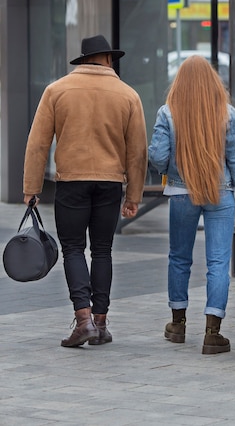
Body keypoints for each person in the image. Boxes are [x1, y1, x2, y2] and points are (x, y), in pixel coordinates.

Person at [23, 35, 148, 348]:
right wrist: (133, 196)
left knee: (74, 249)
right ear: (107, 59)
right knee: (102, 250)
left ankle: (83, 320)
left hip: (71, 182)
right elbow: (137, 152)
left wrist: (31, 188)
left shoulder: (57, 90)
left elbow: (38, 143)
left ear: (84, 60)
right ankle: (101, 323)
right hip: (109, 183)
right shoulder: (128, 94)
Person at [148, 55, 235, 355]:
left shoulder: (167, 112)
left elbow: (157, 156)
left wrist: (173, 171)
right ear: (212, 82)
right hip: (221, 195)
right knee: (219, 262)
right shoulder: (227, 113)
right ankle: (213, 332)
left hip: (182, 193)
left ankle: (178, 325)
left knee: (179, 258)